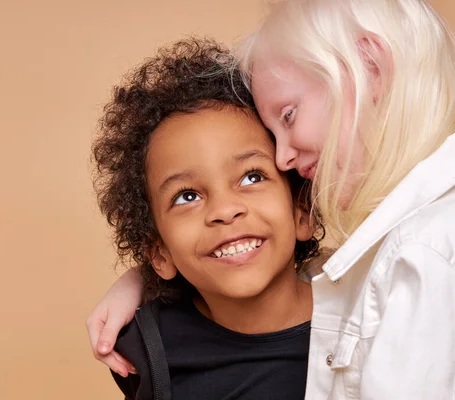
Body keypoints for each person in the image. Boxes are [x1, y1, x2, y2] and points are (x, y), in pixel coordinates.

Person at [88, 0, 455, 398]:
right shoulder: (151, 349)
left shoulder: (427, 256)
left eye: (288, 115)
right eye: (187, 196)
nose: (284, 156)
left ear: (371, 69)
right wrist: (147, 278)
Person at [92, 38, 326, 399]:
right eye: (187, 196)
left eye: (252, 177)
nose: (224, 210)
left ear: (301, 210)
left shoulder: (369, 314)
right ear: (158, 251)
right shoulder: (147, 349)